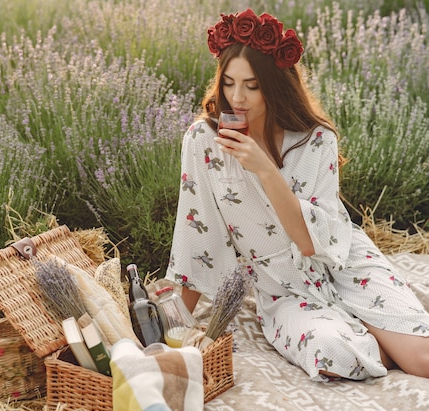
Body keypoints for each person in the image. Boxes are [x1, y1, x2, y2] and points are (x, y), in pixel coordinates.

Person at [166, 8, 429, 381]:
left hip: (345, 262)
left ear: (274, 85)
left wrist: (264, 168)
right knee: (331, 354)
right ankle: (370, 335)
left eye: (252, 85)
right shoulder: (203, 142)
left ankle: (385, 336)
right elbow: (199, 236)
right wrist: (173, 329)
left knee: (422, 360)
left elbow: (309, 242)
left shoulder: (316, 139)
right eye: (228, 82)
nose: (237, 97)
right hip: (283, 286)